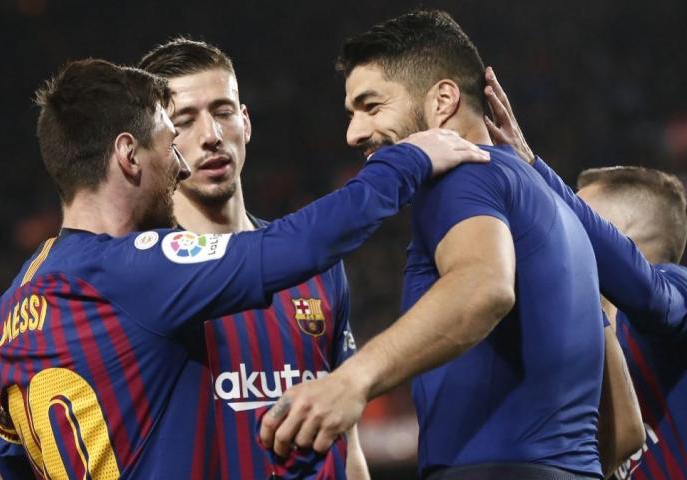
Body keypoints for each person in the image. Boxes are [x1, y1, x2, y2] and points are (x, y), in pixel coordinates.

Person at [0, 58, 488, 479]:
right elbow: (295, 246)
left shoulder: (7, 314)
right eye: (170, 140)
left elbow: (14, 461)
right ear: (128, 156)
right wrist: (406, 162)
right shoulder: (135, 273)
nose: (180, 163)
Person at [262, 10, 611, 480]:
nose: (354, 133)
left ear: (443, 100)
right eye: (351, 113)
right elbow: (622, 429)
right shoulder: (549, 201)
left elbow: (485, 284)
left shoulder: (459, 177)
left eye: (371, 106)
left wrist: (352, 379)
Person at [137, 38, 366, 479]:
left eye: (223, 112)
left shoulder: (316, 269)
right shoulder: (143, 279)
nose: (211, 136)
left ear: (245, 121)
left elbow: (348, 441)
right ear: (158, 143)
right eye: (184, 121)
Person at [483, 67, 687, 480]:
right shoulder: (580, 333)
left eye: (580, 219)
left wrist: (534, 169)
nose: (563, 228)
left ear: (621, 240)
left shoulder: (683, 299)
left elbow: (650, 294)